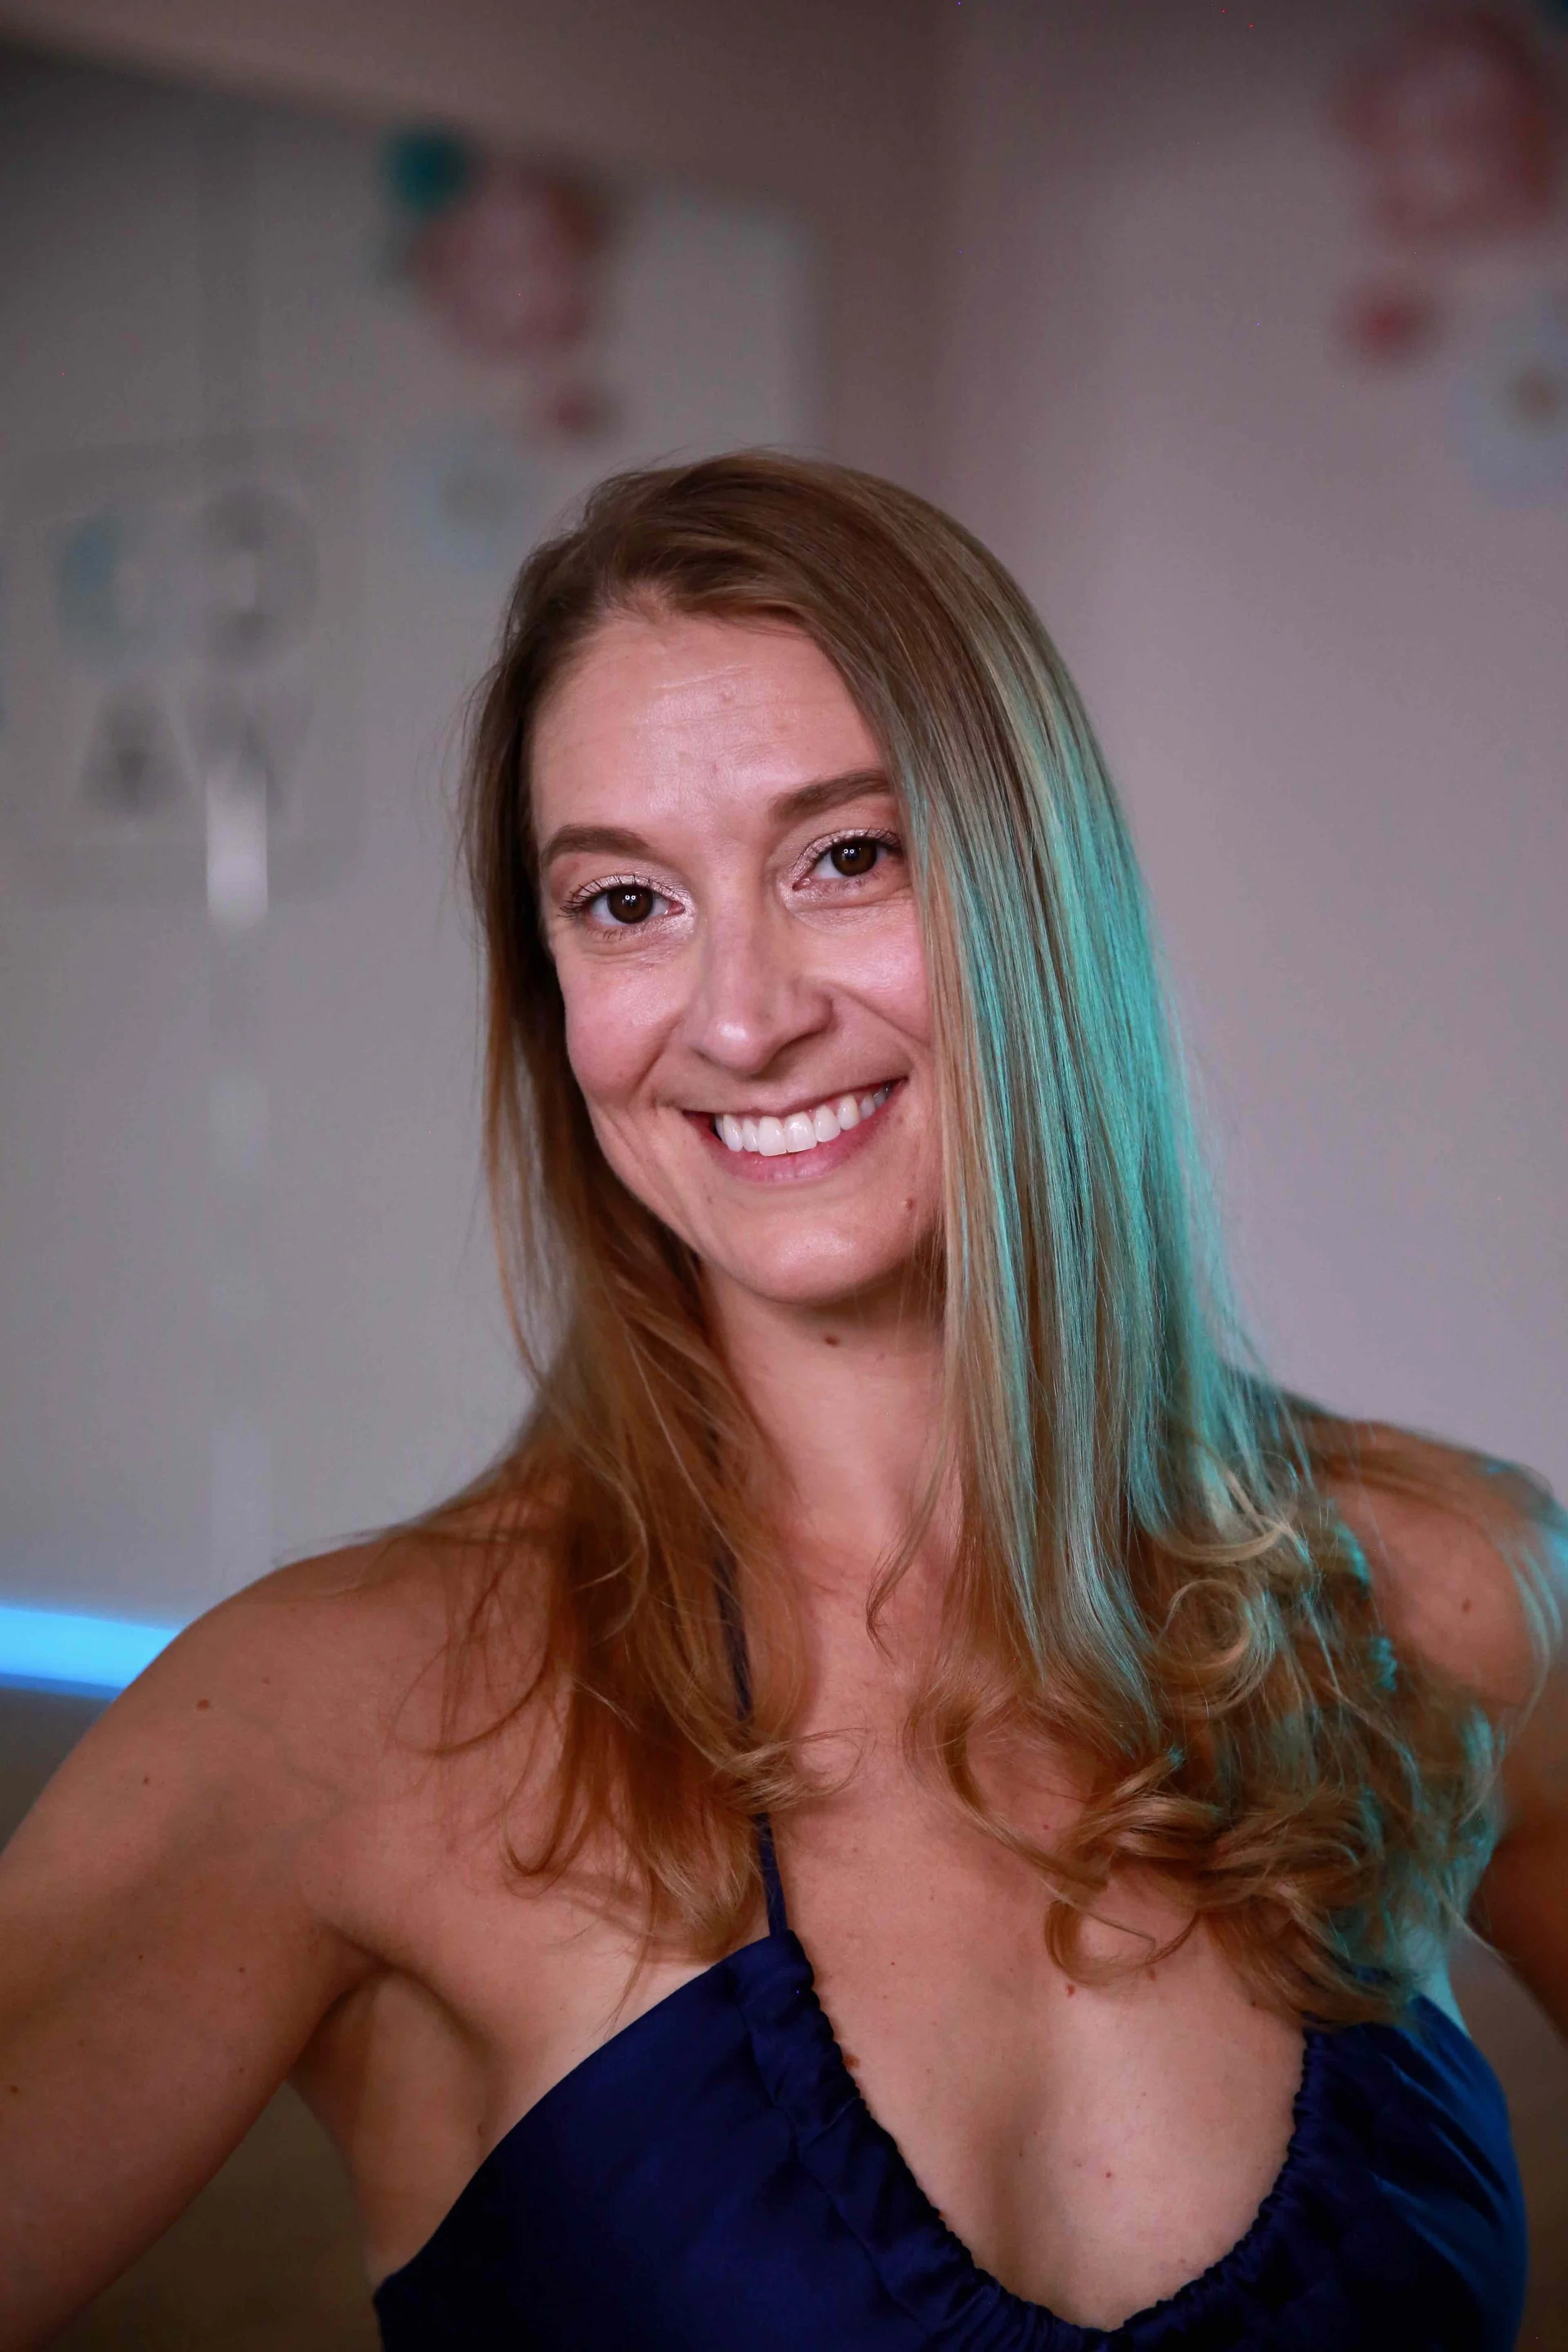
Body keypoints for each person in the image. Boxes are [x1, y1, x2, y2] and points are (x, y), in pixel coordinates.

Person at [1, 453, 1564, 2351]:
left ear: (1028, 887)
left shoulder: (1442, 1589)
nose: (739, 1018)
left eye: (846, 855)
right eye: (626, 901)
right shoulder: (341, 1727)